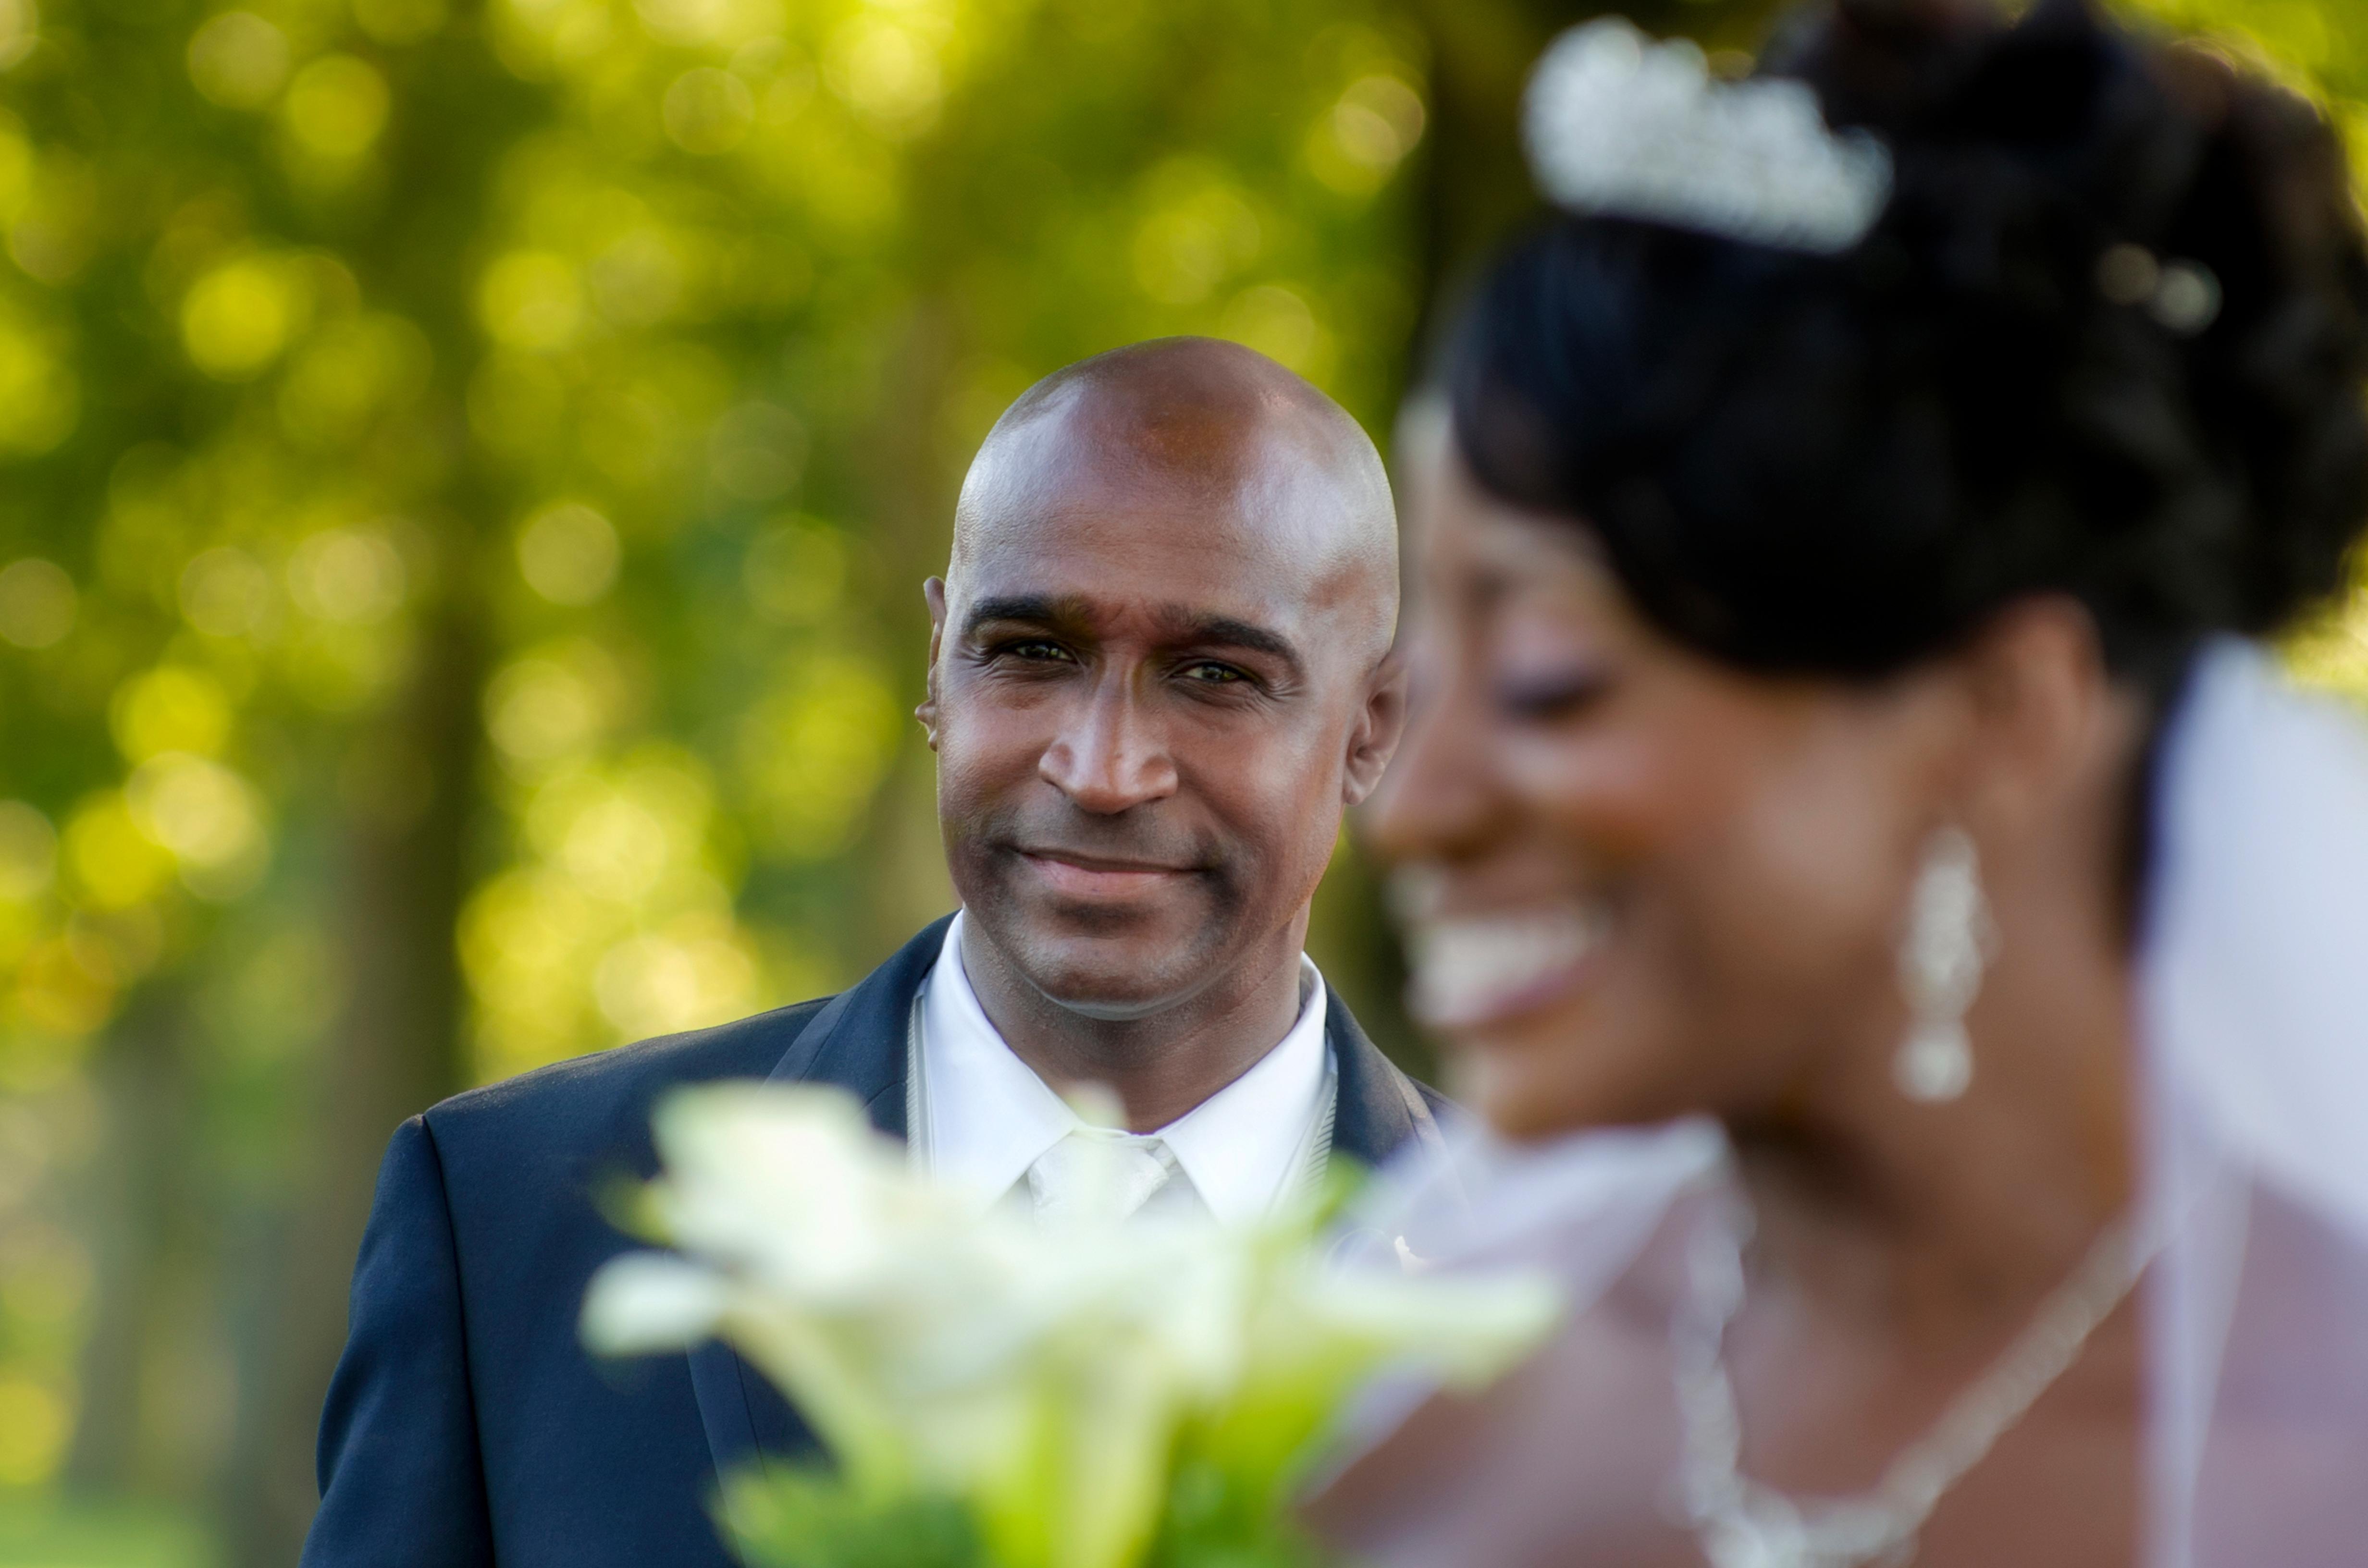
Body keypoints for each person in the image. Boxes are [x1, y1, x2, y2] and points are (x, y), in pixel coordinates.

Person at [1307, 2, 2368, 1565]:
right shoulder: (1405, 1412)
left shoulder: (2323, 1465)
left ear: (1998, 715)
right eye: (1421, 662)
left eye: (1548, 677)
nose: (1410, 811)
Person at [301, 337, 1442, 1568]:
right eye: (1032, 653)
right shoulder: (505, 1218)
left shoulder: (1561, 1292)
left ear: (1372, 727)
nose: (1102, 769)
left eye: (1215, 675)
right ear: (936, 662)